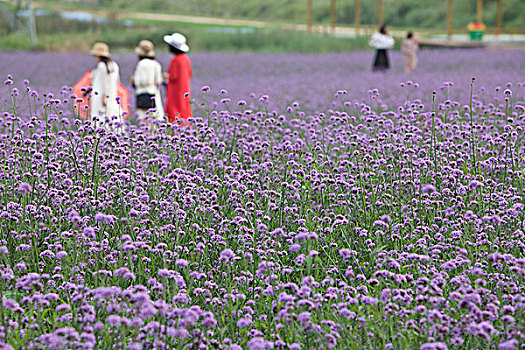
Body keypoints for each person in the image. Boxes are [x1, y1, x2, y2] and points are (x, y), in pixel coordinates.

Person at [130, 40, 164, 128]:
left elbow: (139, 81)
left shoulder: (141, 64)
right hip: (154, 93)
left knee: (143, 119)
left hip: (142, 93)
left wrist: (133, 81)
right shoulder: (156, 64)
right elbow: (159, 80)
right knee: (154, 119)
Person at [89, 42, 123, 131]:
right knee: (112, 114)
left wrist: (104, 96)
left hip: (100, 96)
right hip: (112, 94)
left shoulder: (101, 66)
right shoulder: (114, 65)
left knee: (100, 117)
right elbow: (117, 81)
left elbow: (103, 82)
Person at [162, 32, 193, 127]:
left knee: (174, 111)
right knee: (185, 110)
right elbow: (189, 73)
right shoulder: (186, 59)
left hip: (175, 92)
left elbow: (173, 76)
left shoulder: (176, 60)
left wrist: (164, 76)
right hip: (185, 90)